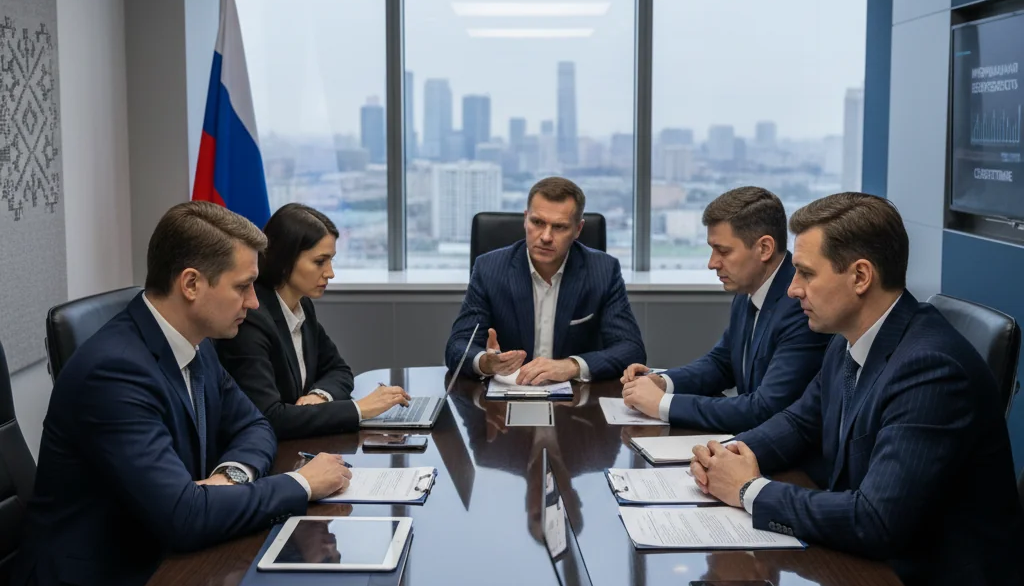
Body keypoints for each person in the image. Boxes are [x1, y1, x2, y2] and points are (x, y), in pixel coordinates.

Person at [17, 201, 353, 586]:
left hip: (167, 563)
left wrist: (231, 476)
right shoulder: (114, 372)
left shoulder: (195, 342)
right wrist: (301, 484)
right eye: (242, 287)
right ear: (191, 284)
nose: (255, 302)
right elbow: (184, 516)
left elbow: (254, 424)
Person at [690, 192, 1024, 586]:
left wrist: (748, 490)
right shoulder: (848, 340)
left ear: (861, 276)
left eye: (806, 273)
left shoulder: (931, 369)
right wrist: (726, 457)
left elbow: (875, 519)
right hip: (869, 576)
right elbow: (799, 423)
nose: (792, 289)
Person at [621, 186, 828, 432]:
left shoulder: (801, 305)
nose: (712, 263)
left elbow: (765, 409)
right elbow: (722, 363)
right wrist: (663, 382)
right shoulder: (748, 288)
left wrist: (663, 404)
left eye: (723, 251)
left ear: (764, 248)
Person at [217, 203, 410, 437]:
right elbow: (269, 417)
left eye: (331, 261)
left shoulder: (302, 305)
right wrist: (359, 409)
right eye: (320, 262)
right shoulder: (250, 318)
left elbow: (339, 369)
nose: (330, 273)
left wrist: (320, 396)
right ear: (285, 260)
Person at [445, 177, 645, 383]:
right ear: (526, 219)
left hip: (576, 396)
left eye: (559, 227)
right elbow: (457, 346)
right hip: (507, 392)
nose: (546, 237)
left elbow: (631, 349)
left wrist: (572, 366)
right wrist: (485, 362)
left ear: (578, 229)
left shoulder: (603, 271)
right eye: (538, 222)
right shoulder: (489, 269)